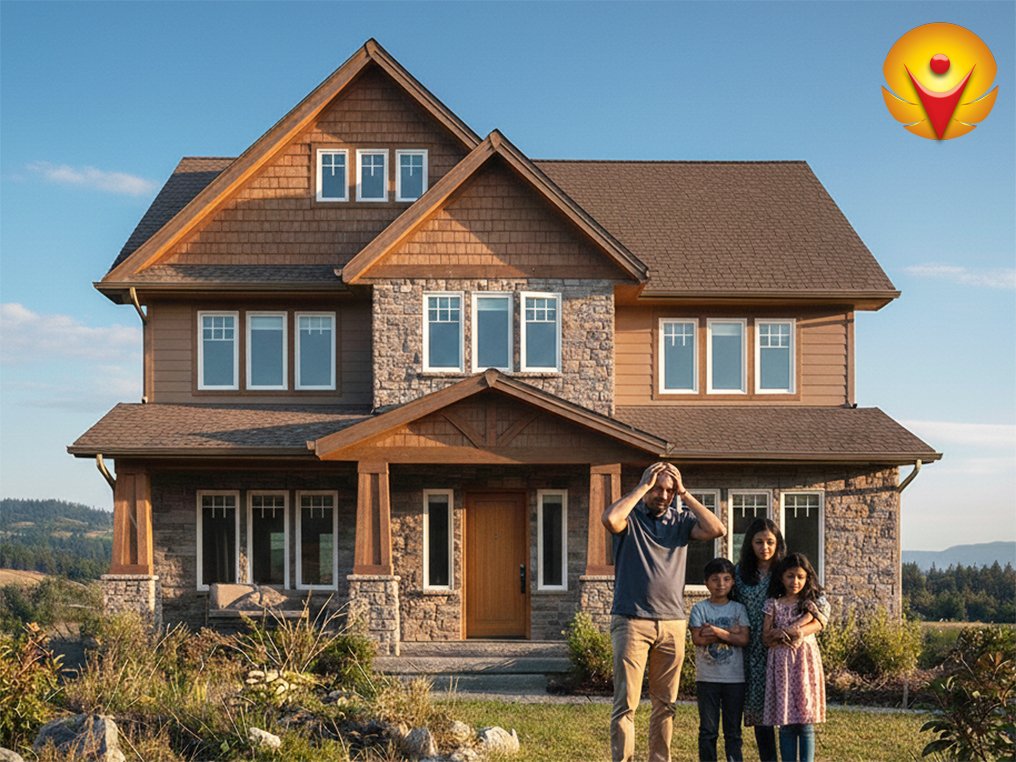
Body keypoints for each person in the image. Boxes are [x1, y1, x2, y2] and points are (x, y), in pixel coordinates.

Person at [602, 461, 726, 762]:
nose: (663, 494)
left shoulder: (681, 521)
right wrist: (643, 486)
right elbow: (610, 519)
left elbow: (717, 529)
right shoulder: (630, 517)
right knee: (626, 705)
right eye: (658, 488)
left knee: (666, 704)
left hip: (672, 622)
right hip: (632, 621)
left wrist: (685, 492)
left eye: (669, 490)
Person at [731, 519, 828, 762]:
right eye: (759, 542)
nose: (765, 547)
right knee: (762, 715)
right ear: (749, 544)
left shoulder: (788, 570)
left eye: (770, 542)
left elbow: (822, 608)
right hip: (755, 651)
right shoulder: (740, 573)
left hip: (790, 655)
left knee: (793, 712)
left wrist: (801, 630)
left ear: (779, 543)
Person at [762, 553, 827, 762]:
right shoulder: (773, 603)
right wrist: (779, 634)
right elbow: (766, 636)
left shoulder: (809, 604)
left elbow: (817, 622)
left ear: (807, 578)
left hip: (804, 664)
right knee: (786, 721)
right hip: (781, 666)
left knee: (805, 721)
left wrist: (793, 629)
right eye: (790, 576)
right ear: (781, 577)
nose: (795, 582)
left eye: (800, 577)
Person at [690, 557, 750, 762]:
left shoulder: (738, 609)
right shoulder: (699, 609)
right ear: (706, 582)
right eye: (715, 579)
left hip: (735, 679)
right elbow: (698, 639)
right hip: (707, 678)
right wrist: (729, 633)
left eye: (726, 579)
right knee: (708, 730)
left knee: (733, 731)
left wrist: (714, 631)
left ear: (733, 581)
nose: (721, 584)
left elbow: (744, 639)